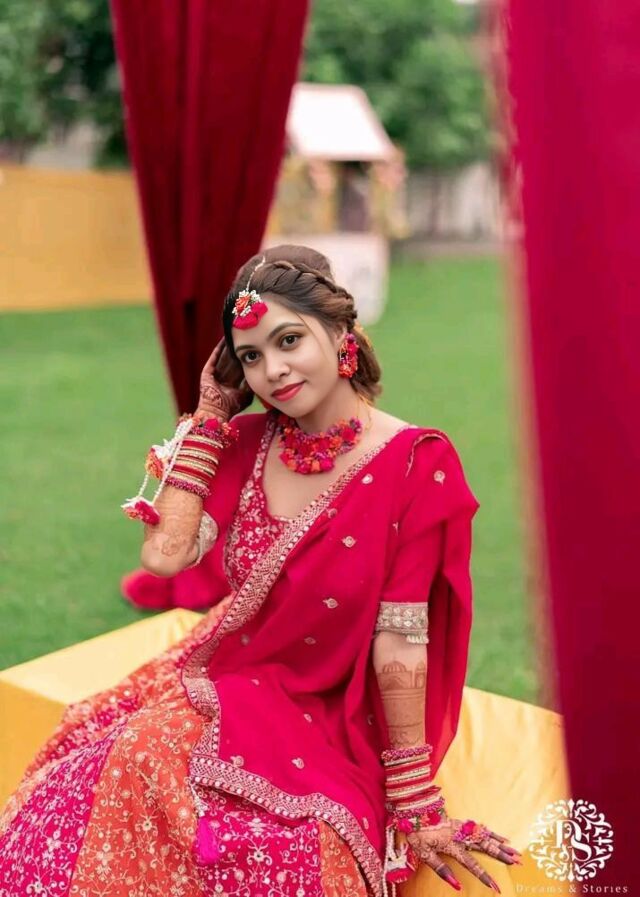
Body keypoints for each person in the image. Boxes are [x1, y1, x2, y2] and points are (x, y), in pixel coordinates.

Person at [0, 245, 522, 896]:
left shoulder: (415, 462)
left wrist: (416, 802)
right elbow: (163, 557)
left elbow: (400, 637)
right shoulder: (245, 445)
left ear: (342, 331)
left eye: (289, 340)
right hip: (237, 678)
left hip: (341, 713)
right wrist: (211, 416)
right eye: (250, 356)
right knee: (126, 754)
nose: (272, 370)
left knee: (300, 857)